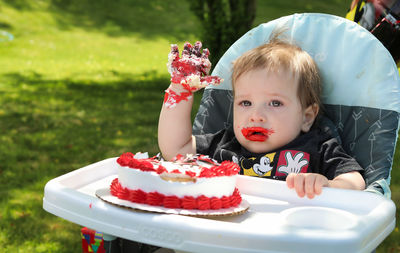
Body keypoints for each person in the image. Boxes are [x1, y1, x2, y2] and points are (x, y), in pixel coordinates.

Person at [158, 37, 365, 199]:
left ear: (307, 117)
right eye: (245, 103)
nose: (256, 116)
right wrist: (179, 91)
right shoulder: (225, 144)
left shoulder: (317, 148)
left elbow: (355, 180)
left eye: (275, 103)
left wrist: (327, 185)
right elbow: (176, 150)